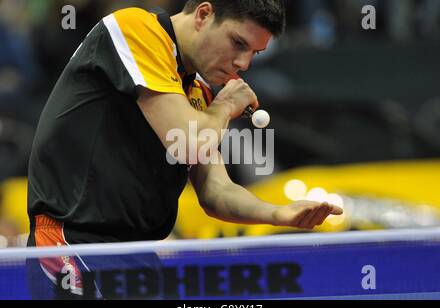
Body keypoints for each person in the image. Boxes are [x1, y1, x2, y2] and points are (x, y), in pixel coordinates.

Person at [27, 0, 342, 253]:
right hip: (70, 242)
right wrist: (224, 107)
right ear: (204, 14)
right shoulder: (135, 29)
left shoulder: (198, 95)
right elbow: (188, 142)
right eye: (237, 43)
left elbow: (216, 190)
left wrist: (278, 214)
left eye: (254, 53)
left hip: (138, 252)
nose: (243, 64)